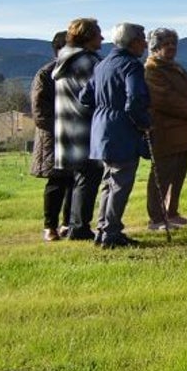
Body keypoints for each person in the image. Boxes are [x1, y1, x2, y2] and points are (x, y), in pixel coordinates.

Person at [80, 22, 150, 249]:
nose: (146, 44)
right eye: (142, 39)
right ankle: (111, 233)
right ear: (133, 42)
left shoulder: (102, 65)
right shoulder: (131, 65)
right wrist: (144, 124)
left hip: (100, 128)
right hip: (122, 129)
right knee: (120, 183)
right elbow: (135, 100)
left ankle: (103, 229)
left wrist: (104, 107)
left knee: (109, 182)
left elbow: (84, 97)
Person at [144, 27, 187, 230]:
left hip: (182, 132)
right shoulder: (152, 70)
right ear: (155, 47)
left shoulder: (175, 67)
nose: (171, 47)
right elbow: (167, 99)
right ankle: (156, 218)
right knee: (162, 175)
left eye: (173, 43)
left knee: (178, 173)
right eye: (166, 44)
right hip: (165, 131)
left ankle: (171, 212)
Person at [53, 18, 105, 241]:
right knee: (89, 175)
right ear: (88, 37)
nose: (102, 38)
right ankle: (79, 227)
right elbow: (98, 92)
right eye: (98, 34)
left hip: (66, 126)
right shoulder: (86, 62)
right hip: (83, 126)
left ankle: (74, 224)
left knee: (79, 177)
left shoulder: (65, 60)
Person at [30, 31, 74, 241]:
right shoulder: (46, 74)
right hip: (54, 138)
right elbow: (40, 113)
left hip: (75, 136)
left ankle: (69, 223)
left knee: (75, 182)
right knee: (57, 184)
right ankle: (50, 226)